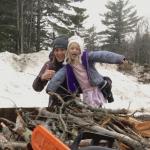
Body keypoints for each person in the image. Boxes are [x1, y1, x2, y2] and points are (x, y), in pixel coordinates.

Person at [46, 35, 127, 108]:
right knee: (90, 108)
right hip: (86, 91)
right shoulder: (68, 65)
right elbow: (58, 77)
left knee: (97, 105)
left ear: (81, 50)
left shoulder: (86, 57)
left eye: (77, 49)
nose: (74, 51)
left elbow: (102, 55)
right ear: (68, 50)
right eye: (72, 48)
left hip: (95, 86)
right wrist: (50, 89)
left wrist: (119, 59)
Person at [32, 36, 72, 106]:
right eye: (56, 50)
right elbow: (36, 88)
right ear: (53, 51)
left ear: (67, 50)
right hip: (54, 105)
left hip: (73, 105)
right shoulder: (50, 65)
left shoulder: (75, 64)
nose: (59, 53)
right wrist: (42, 78)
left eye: (62, 50)